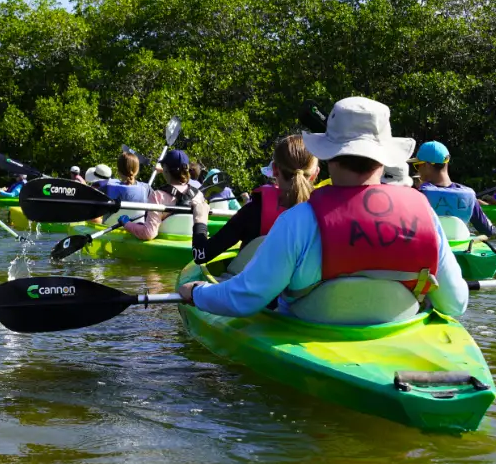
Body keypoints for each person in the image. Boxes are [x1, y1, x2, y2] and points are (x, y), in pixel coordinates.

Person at [178, 97, 466, 326]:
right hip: (396, 330)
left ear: (327, 156)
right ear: (385, 158)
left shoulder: (298, 220)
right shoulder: (424, 214)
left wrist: (197, 292)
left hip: (311, 330)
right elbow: (455, 304)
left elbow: (246, 299)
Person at [200, 134, 317, 266]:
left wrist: (200, 219)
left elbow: (201, 254)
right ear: (315, 174)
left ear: (274, 170)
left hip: (252, 284)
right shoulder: (323, 214)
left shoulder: (254, 210)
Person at [410, 141, 496, 241]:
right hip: (459, 249)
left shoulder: (419, 195)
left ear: (427, 165)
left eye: (417, 165)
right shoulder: (469, 195)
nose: (417, 170)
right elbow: (488, 230)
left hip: (430, 247)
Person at [140, 149, 210, 245]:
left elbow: (149, 233)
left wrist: (126, 224)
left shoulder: (157, 196)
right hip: (191, 244)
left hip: (164, 247)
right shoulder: (199, 195)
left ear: (165, 170)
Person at [102, 151, 159, 238]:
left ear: (118, 171)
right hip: (136, 234)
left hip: (110, 233)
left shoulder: (107, 187)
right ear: (137, 170)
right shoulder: (146, 189)